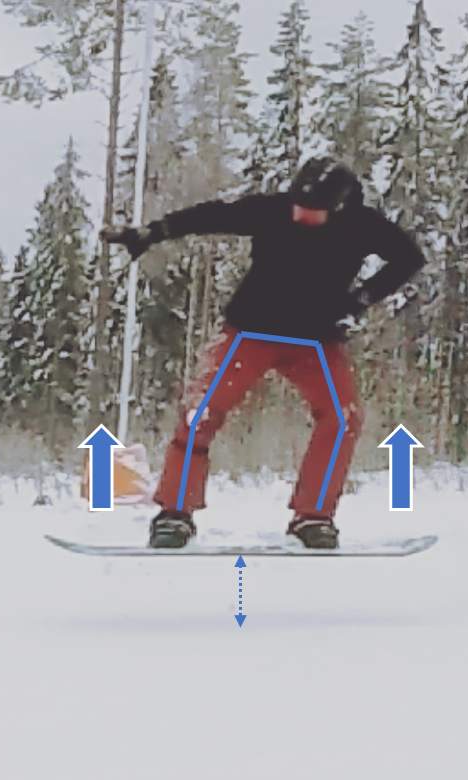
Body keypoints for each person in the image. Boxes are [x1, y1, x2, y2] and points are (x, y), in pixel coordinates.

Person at [101, 157, 425, 549]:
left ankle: (313, 517)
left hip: (315, 340)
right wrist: (153, 232)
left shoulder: (364, 225)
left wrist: (360, 299)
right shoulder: (275, 211)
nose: (300, 215)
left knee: (342, 418)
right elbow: (213, 216)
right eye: (297, 207)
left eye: (311, 212)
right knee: (200, 412)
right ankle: (174, 513)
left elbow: (409, 259)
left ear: (339, 210)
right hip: (251, 332)